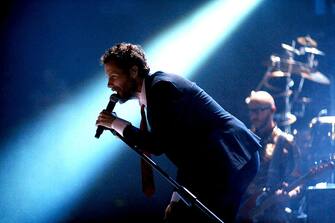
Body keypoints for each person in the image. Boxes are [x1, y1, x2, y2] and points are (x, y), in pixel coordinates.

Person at [95, 42, 261, 223]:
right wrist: (178, 196)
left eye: (113, 76)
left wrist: (117, 124)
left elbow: (157, 144)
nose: (109, 84)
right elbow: (186, 148)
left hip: (229, 156)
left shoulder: (161, 88)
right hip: (215, 163)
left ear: (134, 71)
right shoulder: (154, 90)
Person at [237, 90, 301, 223]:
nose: (253, 116)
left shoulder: (285, 142)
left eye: (258, 110)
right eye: (251, 111)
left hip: (271, 213)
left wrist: (288, 194)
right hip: (244, 211)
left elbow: (298, 181)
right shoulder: (246, 138)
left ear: (272, 110)